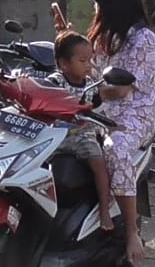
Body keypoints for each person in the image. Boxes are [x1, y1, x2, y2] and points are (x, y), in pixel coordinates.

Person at [80, 0, 155, 266]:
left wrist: (92, 94)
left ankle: (131, 233)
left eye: (100, 2)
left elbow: (119, 89)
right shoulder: (105, 36)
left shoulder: (144, 41)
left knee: (115, 150)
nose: (95, 8)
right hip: (100, 112)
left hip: (132, 116)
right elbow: (88, 69)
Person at [44, 30, 114, 231]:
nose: (89, 65)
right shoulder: (55, 82)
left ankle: (104, 210)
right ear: (64, 64)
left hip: (83, 134)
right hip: (55, 134)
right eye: (83, 60)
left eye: (90, 59)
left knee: (99, 163)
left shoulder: (92, 86)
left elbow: (98, 108)